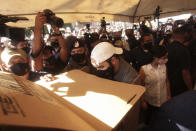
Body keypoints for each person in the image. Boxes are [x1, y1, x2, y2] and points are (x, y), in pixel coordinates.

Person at [134, 45, 171, 125]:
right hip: (150, 101)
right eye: (164, 57)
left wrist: (168, 95)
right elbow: (141, 86)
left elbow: (166, 81)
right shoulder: (144, 69)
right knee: (150, 120)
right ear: (155, 57)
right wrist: (142, 101)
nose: (166, 59)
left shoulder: (164, 66)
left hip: (163, 100)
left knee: (161, 120)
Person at [167, 26, 192, 97]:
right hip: (180, 86)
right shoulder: (184, 50)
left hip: (169, 84)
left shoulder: (168, 47)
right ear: (184, 35)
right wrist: (190, 89)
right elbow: (185, 72)